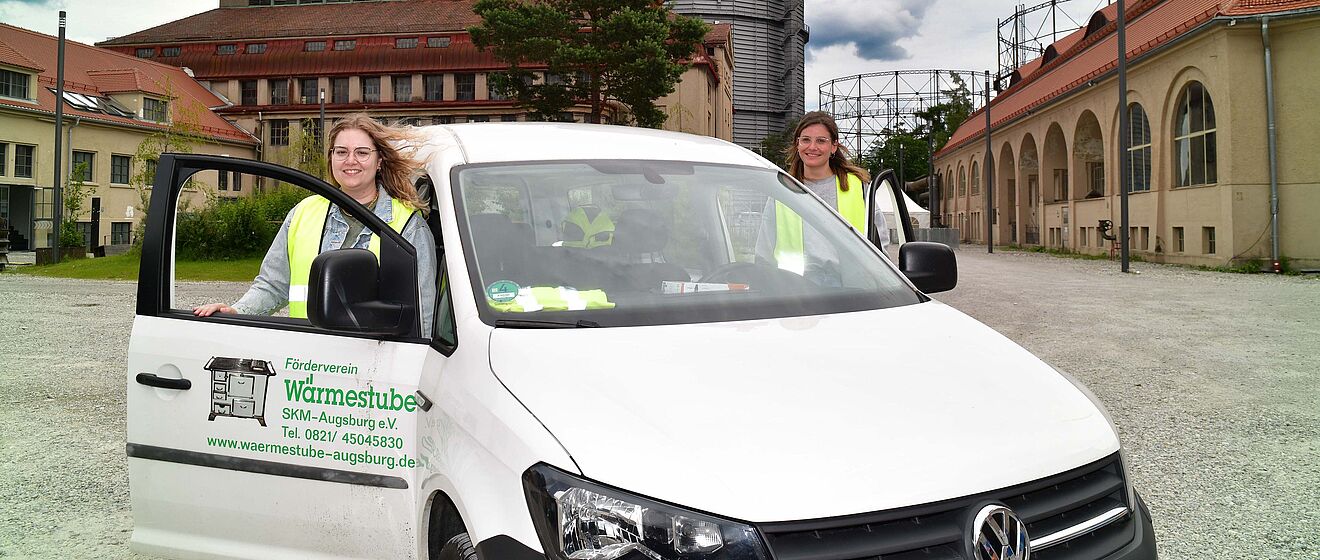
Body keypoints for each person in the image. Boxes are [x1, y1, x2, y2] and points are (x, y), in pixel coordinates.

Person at [194, 114, 437, 333]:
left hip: (373, 366)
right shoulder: (302, 213)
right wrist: (237, 312)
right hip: (310, 362)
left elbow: (422, 313)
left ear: (379, 161)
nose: (350, 160)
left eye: (362, 152)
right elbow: (272, 285)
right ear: (331, 157)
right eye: (341, 152)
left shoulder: (408, 226)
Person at [755, 111, 886, 284]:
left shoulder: (858, 188)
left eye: (821, 141)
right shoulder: (783, 190)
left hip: (854, 290)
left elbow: (880, 245)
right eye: (806, 140)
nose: (812, 147)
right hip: (798, 292)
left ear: (833, 146)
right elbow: (764, 251)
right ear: (797, 144)